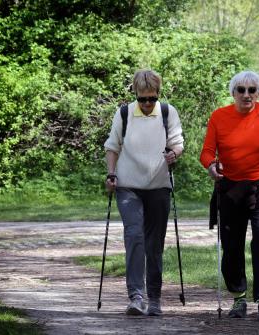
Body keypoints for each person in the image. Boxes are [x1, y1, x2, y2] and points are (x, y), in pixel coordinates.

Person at [199, 70, 259, 319]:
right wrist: (211, 166)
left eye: (252, 90)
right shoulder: (219, 117)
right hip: (230, 186)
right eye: (241, 90)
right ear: (233, 93)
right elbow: (206, 152)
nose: (247, 95)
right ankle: (238, 297)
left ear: (258, 93)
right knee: (232, 245)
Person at [104, 69, 184, 316]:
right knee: (135, 236)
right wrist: (111, 173)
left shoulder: (168, 112)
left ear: (158, 94)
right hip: (128, 185)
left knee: (154, 244)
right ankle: (136, 297)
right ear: (136, 95)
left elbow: (178, 142)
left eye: (151, 98)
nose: (147, 104)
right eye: (142, 99)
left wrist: (174, 153)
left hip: (159, 186)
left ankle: (155, 298)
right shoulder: (125, 113)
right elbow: (112, 145)